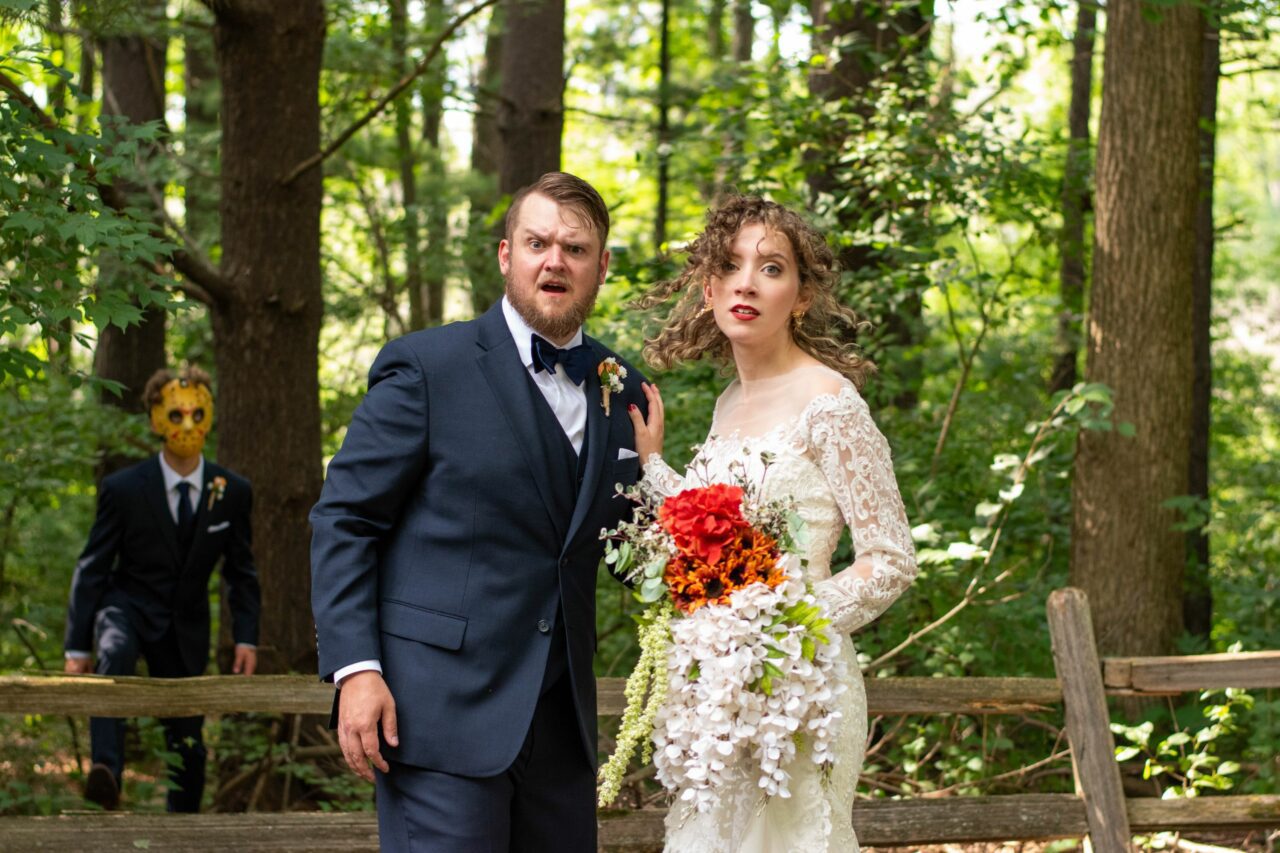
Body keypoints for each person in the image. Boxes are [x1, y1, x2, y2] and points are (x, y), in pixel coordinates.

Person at [310, 172, 648, 852]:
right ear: (505, 255)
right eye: (538, 243)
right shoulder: (428, 368)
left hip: (561, 734)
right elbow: (344, 520)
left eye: (576, 249)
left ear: (602, 266)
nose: (556, 261)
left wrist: (657, 486)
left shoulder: (624, 387)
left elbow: (626, 554)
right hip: (435, 718)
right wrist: (357, 669)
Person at [628, 195, 919, 851]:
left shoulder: (830, 403)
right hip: (718, 694)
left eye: (772, 267)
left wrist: (783, 621)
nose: (747, 282)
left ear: (803, 294)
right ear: (709, 288)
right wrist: (653, 468)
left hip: (801, 690)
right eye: (731, 266)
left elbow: (891, 557)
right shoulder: (729, 403)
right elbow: (717, 543)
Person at [64, 366, 260, 813]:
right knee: (113, 652)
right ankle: (107, 773)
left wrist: (247, 636)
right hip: (126, 606)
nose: (187, 425)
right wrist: (77, 645)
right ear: (156, 418)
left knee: (188, 741)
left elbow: (241, 571)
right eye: (175, 414)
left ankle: (184, 826)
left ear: (210, 416)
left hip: (186, 624)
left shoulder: (232, 492)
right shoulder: (124, 489)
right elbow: (92, 566)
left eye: (197, 413)